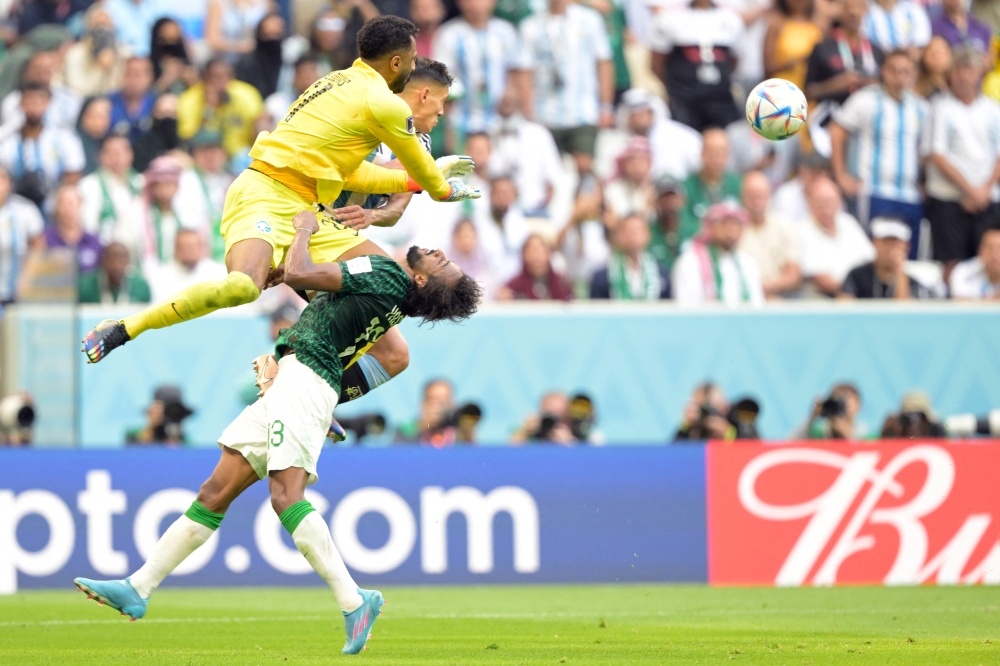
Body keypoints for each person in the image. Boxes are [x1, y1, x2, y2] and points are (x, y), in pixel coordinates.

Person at [73, 212, 483, 656]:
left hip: (306, 378)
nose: (440, 254)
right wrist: (284, 282)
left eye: (442, 265)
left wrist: (304, 227)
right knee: (215, 491)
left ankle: (354, 601)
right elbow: (314, 288)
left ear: (423, 281)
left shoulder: (384, 273)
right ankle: (139, 587)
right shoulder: (390, 292)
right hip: (297, 376)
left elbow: (306, 270)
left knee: (287, 495)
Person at [83, 17, 480, 416]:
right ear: (414, 83)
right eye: (441, 102)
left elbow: (359, 177)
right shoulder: (385, 108)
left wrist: (413, 185)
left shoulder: (347, 88)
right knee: (244, 287)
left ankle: (314, 397)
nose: (443, 112)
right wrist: (437, 183)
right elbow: (409, 182)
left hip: (313, 210)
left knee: (393, 344)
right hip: (267, 194)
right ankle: (124, 328)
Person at [829, 50, 927, 257]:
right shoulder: (866, 100)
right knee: (871, 254)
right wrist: (841, 176)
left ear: (913, 74)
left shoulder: (920, 108)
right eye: (894, 71)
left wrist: (924, 182)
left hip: (909, 194)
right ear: (884, 71)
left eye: (905, 71)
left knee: (907, 257)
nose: (899, 77)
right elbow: (837, 131)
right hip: (873, 190)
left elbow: (925, 149)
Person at [924, 46, 1000, 280]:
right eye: (958, 70)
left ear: (979, 74)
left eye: (969, 70)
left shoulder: (992, 109)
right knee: (952, 265)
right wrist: (969, 191)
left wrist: (984, 190)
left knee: (989, 261)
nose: (964, 76)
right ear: (951, 74)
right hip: (949, 200)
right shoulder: (939, 107)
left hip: (987, 198)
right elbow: (936, 155)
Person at [518, 0, 615, 176]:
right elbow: (524, 71)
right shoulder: (531, 25)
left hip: (583, 110)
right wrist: (528, 114)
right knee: (549, 173)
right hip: (544, 113)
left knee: (585, 167)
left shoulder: (589, 20)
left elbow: (603, 63)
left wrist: (606, 105)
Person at [433, 0, 530, 134]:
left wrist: (514, 96)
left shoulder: (506, 32)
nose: (476, 4)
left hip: (501, 122)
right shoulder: (448, 34)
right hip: (462, 122)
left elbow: (518, 73)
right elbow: (441, 80)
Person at [649, 0, 744, 133]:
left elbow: (734, 61)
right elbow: (657, 63)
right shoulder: (669, 17)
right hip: (685, 100)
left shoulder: (731, 18)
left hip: (720, 99)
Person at [804, 0, 884, 155]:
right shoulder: (823, 47)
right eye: (848, 7)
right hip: (830, 124)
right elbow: (807, 92)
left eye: (858, 7)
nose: (853, 12)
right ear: (840, 11)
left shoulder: (876, 51)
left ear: (866, 10)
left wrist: (873, 85)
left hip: (868, 127)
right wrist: (835, 85)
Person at [0, 82, 85, 207]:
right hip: (13, 201)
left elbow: (73, 174)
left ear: (49, 102)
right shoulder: (6, 138)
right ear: (20, 103)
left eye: (40, 100)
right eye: (29, 99)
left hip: (53, 202)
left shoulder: (64, 138)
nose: (34, 105)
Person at [594, 87, 702, 183]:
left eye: (644, 111)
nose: (640, 116)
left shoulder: (680, 136)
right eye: (635, 113)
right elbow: (604, 174)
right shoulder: (612, 141)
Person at [672, 201, 764, 306]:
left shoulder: (748, 263)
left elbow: (757, 305)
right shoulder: (690, 262)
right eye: (724, 223)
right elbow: (685, 308)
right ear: (711, 226)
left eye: (736, 224)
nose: (731, 230)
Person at [489, 88, 562, 217]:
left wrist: (543, 205)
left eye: (512, 103)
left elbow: (553, 178)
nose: (508, 107)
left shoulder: (538, 133)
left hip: (534, 208)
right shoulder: (490, 135)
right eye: (504, 103)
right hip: (500, 211)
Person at [797, 177, 875, 297]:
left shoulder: (849, 223)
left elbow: (870, 259)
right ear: (810, 203)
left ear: (839, 202)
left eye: (830, 201)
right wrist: (852, 292)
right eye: (820, 202)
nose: (825, 207)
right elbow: (821, 280)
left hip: (859, 295)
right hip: (825, 299)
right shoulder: (802, 231)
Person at [176, 59, 265, 158]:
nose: (220, 83)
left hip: (241, 155)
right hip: (207, 157)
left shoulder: (247, 94)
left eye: (224, 77)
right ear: (205, 78)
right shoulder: (189, 99)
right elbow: (189, 141)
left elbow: (260, 122)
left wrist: (261, 126)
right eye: (214, 78)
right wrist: (209, 109)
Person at [78, 134, 145, 256]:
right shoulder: (88, 185)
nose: (116, 158)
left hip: (138, 251)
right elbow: (88, 226)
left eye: (121, 152)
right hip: (105, 252)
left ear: (130, 155)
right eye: (110, 153)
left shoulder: (141, 183)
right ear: (100, 157)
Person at [739, 171, 802, 298]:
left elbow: (794, 274)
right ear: (743, 197)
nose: (757, 201)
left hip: (780, 297)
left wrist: (765, 289)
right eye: (752, 196)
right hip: (743, 298)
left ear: (770, 196)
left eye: (761, 195)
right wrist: (757, 292)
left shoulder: (784, 226)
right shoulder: (733, 230)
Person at [176, 131, 235, 262]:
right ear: (195, 155)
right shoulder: (187, 179)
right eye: (204, 152)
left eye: (214, 151)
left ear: (224, 154)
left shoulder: (229, 179)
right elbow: (186, 218)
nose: (210, 156)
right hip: (200, 249)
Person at [841, 217, 933, 298]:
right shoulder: (857, 276)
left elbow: (907, 313)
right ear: (874, 242)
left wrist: (899, 271)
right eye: (885, 242)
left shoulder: (912, 283)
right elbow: (845, 309)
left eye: (895, 243)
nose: (889, 249)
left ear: (906, 246)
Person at [680, 128, 742, 243]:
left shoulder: (738, 184)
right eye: (712, 151)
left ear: (728, 155)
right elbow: (684, 223)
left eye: (721, 151)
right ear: (702, 153)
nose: (716, 157)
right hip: (700, 245)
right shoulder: (686, 187)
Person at [591, 212, 670, 300]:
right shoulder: (603, 278)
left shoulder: (661, 274)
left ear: (648, 235)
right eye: (628, 230)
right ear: (618, 235)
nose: (633, 234)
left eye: (638, 230)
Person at [59, 6, 130, 98]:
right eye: (97, 25)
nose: (102, 31)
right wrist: (100, 68)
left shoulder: (125, 52)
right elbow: (76, 89)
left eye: (105, 25)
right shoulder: (75, 53)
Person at [0, 165, 45, 304]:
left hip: (17, 291)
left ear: (9, 183)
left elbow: (39, 248)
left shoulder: (25, 210)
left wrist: (27, 280)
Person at [148, 229, 229, 303]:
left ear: (202, 248)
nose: (189, 251)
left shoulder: (219, 274)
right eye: (185, 246)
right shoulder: (159, 276)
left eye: (193, 246)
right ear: (176, 249)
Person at [763, 0, 823, 92]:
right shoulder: (777, 25)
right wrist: (794, 62)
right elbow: (767, 67)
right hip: (782, 91)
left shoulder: (817, 25)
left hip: (810, 92)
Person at [43, 184, 103, 273]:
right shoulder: (45, 239)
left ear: (80, 205)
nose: (68, 209)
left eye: (71, 203)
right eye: (63, 204)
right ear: (56, 208)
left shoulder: (94, 241)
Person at [499, 233, 574, 300]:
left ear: (549, 253)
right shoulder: (514, 287)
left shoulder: (562, 283)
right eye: (531, 250)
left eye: (540, 250)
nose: (536, 256)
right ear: (523, 254)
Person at [603, 136, 655, 227]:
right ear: (624, 164)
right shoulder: (612, 189)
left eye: (642, 162)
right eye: (633, 162)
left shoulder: (655, 191)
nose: (637, 167)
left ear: (649, 164)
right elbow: (612, 221)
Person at [77, 241, 151, 304]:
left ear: (129, 261)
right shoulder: (86, 286)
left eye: (122, 260)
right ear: (102, 260)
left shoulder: (141, 286)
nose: (116, 265)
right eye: (112, 259)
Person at [236, 14, 288, 100]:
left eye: (277, 35)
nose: (273, 40)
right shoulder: (247, 64)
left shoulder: (290, 61)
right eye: (269, 35)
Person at [796, 382, 868, 439]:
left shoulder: (866, 436)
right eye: (837, 399)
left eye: (847, 399)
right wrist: (812, 417)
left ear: (858, 405)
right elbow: (791, 446)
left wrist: (848, 436)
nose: (841, 407)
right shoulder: (818, 433)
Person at [108, 57, 156, 143]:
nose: (133, 80)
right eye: (129, 73)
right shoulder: (108, 103)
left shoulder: (157, 104)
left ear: (149, 77)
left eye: (138, 75)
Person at [205, 0, 271, 62]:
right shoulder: (219, 4)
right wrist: (241, 47)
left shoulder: (264, 3)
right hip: (227, 62)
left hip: (257, 61)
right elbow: (212, 40)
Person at [265, 55, 320, 127]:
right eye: (302, 72)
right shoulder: (278, 101)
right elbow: (260, 126)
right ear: (293, 77)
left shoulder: (330, 103)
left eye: (312, 71)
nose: (307, 77)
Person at [862, 0, 931, 56]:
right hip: (877, 62)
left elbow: (921, 43)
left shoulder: (915, 11)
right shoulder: (865, 13)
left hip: (910, 62)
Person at [149, 18, 198, 95]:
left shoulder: (185, 61)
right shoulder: (150, 63)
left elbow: (198, 87)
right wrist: (169, 76)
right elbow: (151, 94)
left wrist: (186, 75)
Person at [648, 174, 684, 274]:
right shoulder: (648, 232)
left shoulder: (694, 229)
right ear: (655, 202)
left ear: (682, 200)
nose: (669, 203)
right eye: (664, 198)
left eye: (672, 197)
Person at [950, 227, 1000, 299]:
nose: (995, 256)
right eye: (990, 248)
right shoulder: (963, 272)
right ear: (980, 251)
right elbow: (962, 305)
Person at [76, 96, 112, 175]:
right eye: (96, 115)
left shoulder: (109, 140)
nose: (101, 121)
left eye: (105, 116)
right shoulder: (73, 141)